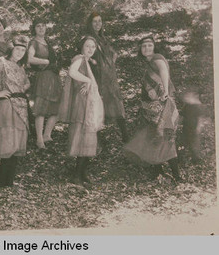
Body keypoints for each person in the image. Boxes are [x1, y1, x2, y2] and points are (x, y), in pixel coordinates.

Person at [124, 36, 180, 181]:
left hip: (162, 104)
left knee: (164, 136)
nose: (147, 48)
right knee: (153, 136)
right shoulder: (148, 63)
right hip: (151, 107)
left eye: (149, 45)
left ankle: (176, 175)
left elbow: (163, 72)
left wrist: (166, 92)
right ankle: (157, 172)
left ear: (154, 47)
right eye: (144, 46)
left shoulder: (157, 58)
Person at [0, 35, 30, 189]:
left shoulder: (20, 67)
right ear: (11, 49)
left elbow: (26, 83)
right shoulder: (1, 62)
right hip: (7, 104)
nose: (20, 52)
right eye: (18, 49)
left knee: (16, 144)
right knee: (8, 141)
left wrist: (22, 91)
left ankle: (9, 182)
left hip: (21, 105)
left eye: (23, 50)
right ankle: (2, 183)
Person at [58, 36, 104, 186]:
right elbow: (71, 72)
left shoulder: (88, 62)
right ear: (82, 47)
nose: (90, 49)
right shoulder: (79, 58)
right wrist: (88, 80)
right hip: (82, 104)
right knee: (82, 135)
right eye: (87, 46)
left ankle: (83, 172)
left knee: (89, 137)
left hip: (89, 104)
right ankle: (77, 175)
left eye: (93, 47)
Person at [85, 12, 129, 142]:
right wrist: (94, 63)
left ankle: (125, 135)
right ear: (90, 23)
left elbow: (112, 53)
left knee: (116, 101)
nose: (98, 24)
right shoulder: (89, 38)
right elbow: (85, 56)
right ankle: (98, 139)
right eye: (94, 21)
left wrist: (110, 62)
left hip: (109, 76)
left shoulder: (102, 38)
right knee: (98, 103)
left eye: (100, 21)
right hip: (97, 76)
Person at [27, 19, 62, 149]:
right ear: (34, 29)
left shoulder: (48, 42)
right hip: (43, 77)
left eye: (43, 26)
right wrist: (45, 61)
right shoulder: (33, 42)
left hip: (53, 77)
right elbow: (29, 59)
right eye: (38, 26)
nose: (41, 28)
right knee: (41, 109)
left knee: (56, 109)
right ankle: (39, 139)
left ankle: (47, 134)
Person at [180, 86, 206, 163]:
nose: (187, 98)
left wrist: (198, 127)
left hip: (193, 127)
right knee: (184, 141)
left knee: (194, 143)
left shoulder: (197, 106)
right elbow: (182, 115)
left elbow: (200, 118)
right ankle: (182, 157)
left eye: (189, 96)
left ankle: (196, 158)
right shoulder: (187, 106)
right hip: (186, 126)